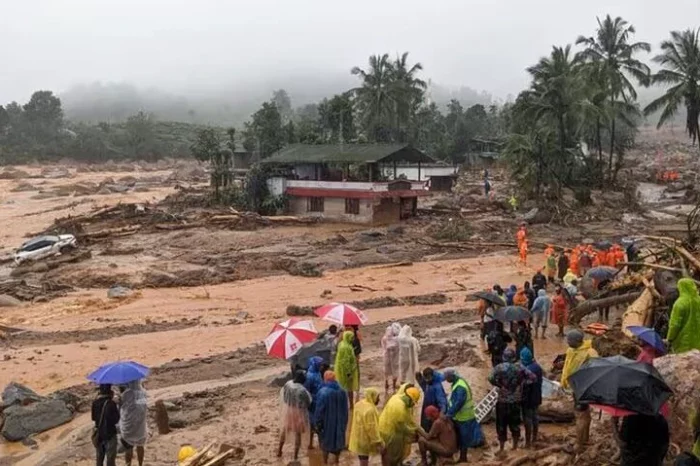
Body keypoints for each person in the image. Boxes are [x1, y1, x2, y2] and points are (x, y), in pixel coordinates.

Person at [488, 348, 536, 453]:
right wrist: (522, 383)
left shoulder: (499, 367)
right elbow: (533, 378)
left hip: (502, 401)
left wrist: (499, 385)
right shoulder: (520, 367)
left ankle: (501, 448)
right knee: (515, 424)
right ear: (514, 357)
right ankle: (514, 447)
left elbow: (490, 378)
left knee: (501, 425)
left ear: (504, 357)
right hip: (515, 401)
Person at [560, 330, 598, 452]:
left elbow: (597, 370)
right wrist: (564, 382)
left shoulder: (590, 353)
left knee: (580, 416)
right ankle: (585, 439)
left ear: (577, 341)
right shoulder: (571, 350)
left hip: (584, 388)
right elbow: (568, 365)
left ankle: (578, 445)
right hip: (575, 386)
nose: (567, 342)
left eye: (569, 340)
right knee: (585, 413)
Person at [379, 385, 425, 466]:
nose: (413, 405)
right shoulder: (400, 408)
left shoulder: (396, 397)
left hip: (384, 427)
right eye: (413, 403)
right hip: (391, 433)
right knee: (392, 456)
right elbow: (402, 428)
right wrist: (414, 434)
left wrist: (420, 430)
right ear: (409, 399)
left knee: (386, 454)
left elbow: (410, 420)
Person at [443, 369, 481, 463]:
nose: (446, 380)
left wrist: (449, 414)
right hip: (461, 416)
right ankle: (462, 454)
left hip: (464, 416)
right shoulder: (459, 381)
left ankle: (463, 458)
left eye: (447, 378)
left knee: (464, 438)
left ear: (451, 376)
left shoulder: (460, 387)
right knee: (462, 436)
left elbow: (458, 403)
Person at [314, 371, 349, 464]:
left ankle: (325, 462)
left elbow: (319, 411)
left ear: (325, 379)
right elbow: (346, 409)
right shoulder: (342, 391)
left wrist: (317, 423)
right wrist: (344, 422)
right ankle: (337, 462)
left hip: (327, 424)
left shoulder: (323, 392)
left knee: (325, 445)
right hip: (340, 422)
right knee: (338, 444)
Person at [278, 370, 312, 460]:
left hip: (289, 410)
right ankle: (295, 456)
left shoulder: (288, 384)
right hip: (299, 413)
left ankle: (279, 450)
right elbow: (308, 402)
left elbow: (285, 397)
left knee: (285, 429)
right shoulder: (302, 390)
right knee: (298, 434)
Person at [349, 388, 384, 466]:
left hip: (356, 436)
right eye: (377, 397)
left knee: (362, 458)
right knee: (364, 461)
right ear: (372, 397)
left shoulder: (358, 404)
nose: (379, 400)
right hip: (365, 439)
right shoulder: (370, 410)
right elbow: (371, 428)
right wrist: (378, 441)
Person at [118, 380, 147, 466]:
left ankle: (128, 464)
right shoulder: (143, 392)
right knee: (140, 445)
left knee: (128, 446)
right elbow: (143, 407)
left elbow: (121, 407)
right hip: (140, 424)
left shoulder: (126, 394)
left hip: (129, 425)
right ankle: (140, 464)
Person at [667, 278, 700, 353]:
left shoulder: (680, 303)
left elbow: (675, 324)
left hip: (683, 343)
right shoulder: (698, 301)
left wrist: (670, 338)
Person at [519, 348, 543, 448]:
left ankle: (528, 441)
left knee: (527, 419)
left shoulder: (527, 370)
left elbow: (523, 385)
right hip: (537, 396)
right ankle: (535, 437)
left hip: (527, 399)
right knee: (535, 417)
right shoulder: (537, 367)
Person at [93, 384, 120, 466]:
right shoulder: (112, 404)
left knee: (99, 459)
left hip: (99, 434)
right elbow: (116, 419)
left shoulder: (95, 403)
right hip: (110, 434)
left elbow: (93, 418)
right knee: (110, 459)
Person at [417, 367, 447, 433]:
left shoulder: (437, 386)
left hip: (435, 408)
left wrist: (442, 411)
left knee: (433, 426)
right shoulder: (427, 383)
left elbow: (442, 400)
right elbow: (424, 387)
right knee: (426, 423)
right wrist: (419, 379)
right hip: (427, 406)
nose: (427, 380)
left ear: (432, 376)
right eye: (426, 379)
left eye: (429, 378)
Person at [335, 331, 360, 410]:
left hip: (342, 370)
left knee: (345, 388)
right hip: (346, 372)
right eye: (351, 337)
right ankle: (349, 406)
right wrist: (349, 373)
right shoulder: (346, 347)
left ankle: (347, 405)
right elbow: (345, 362)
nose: (353, 339)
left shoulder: (343, 344)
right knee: (348, 389)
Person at [305, 356, 325, 449]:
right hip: (313, 402)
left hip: (319, 400)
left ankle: (315, 443)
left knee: (318, 423)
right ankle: (311, 443)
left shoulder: (317, 373)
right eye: (320, 365)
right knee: (315, 424)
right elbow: (307, 390)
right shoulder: (309, 376)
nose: (322, 367)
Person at [381, 323, 402, 394]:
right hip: (395, 359)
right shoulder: (398, 340)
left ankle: (386, 383)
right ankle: (393, 386)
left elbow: (384, 347)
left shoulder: (384, 338)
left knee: (386, 371)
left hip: (386, 357)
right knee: (395, 371)